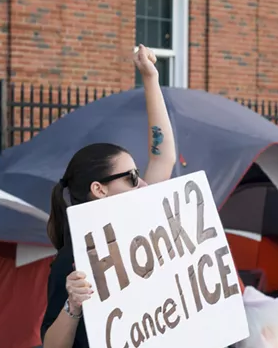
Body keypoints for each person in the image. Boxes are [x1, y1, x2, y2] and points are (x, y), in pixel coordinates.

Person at [40, 44, 176, 348]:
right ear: (98, 190)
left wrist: (151, 79)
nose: (141, 183)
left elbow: (163, 157)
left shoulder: (141, 224)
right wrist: (73, 305)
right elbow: (51, 345)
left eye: (137, 174)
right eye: (129, 177)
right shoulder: (73, 259)